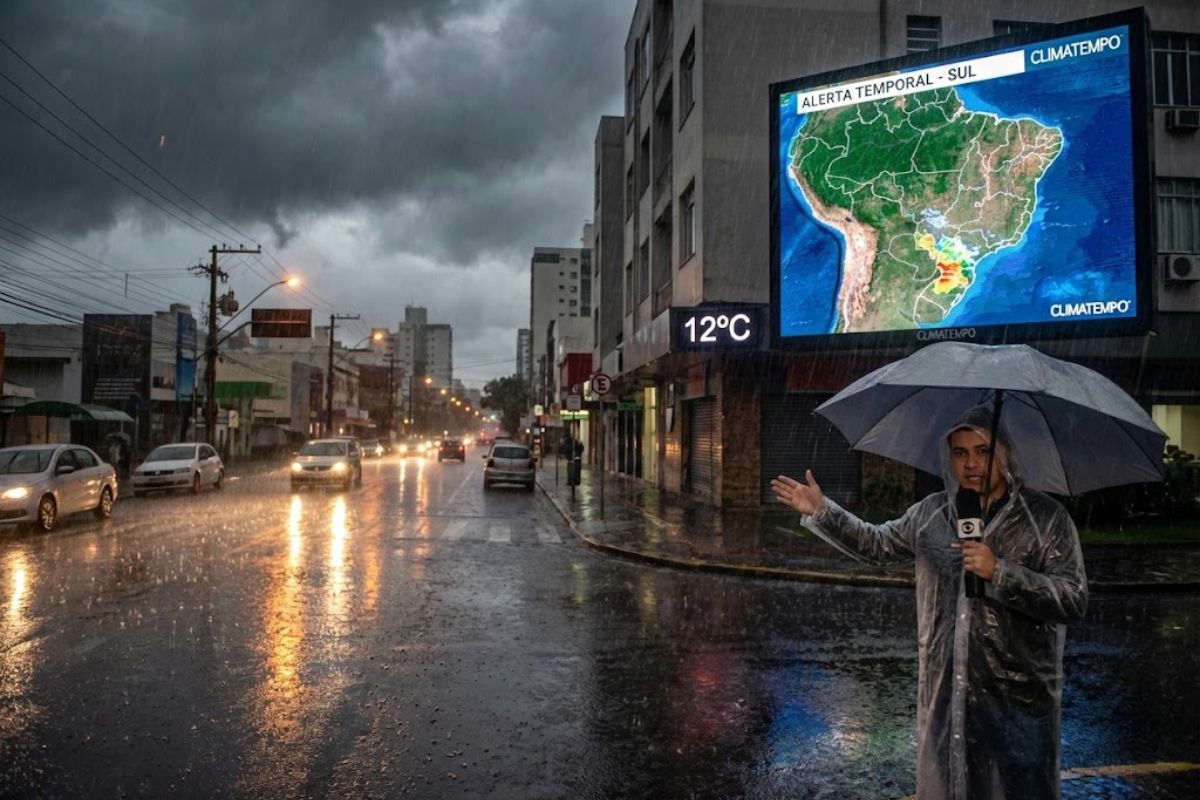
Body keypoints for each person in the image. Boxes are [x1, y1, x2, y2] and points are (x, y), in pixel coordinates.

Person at [771, 407, 1087, 800]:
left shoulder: (1046, 520)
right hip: (947, 699)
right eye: (960, 452)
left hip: (1020, 706)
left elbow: (1073, 598)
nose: (971, 463)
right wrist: (822, 511)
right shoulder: (933, 514)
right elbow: (878, 544)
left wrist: (1000, 572)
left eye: (983, 451)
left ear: (1005, 454)